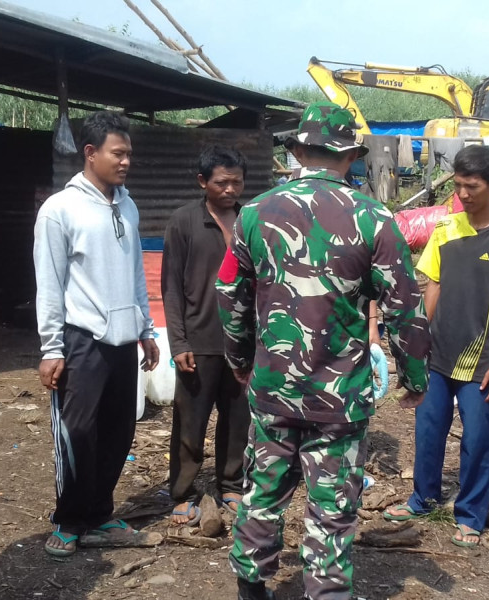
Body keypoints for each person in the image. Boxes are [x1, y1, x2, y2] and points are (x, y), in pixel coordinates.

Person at [217, 101, 431, 600]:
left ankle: (252, 586)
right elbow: (405, 307)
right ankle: (327, 592)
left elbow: (229, 294)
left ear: (295, 150)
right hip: (339, 396)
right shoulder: (375, 218)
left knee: (263, 491)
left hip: (273, 387)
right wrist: (414, 378)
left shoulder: (253, 213)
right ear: (351, 156)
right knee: (332, 506)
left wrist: (241, 360)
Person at [384, 145, 489, 548]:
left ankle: (470, 515)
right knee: (428, 430)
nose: (463, 194)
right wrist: (416, 345)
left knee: (478, 439)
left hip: (482, 359)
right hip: (438, 354)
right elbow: (432, 286)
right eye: (458, 186)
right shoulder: (446, 229)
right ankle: (423, 498)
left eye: (472, 186)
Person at [34, 110, 160, 557]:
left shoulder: (127, 204)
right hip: (81, 340)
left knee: (118, 431)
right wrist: (51, 348)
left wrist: (146, 328)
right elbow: (48, 283)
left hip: (125, 339)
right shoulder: (59, 210)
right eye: (118, 153)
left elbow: (135, 274)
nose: (126, 162)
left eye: (129, 154)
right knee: (77, 432)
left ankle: (100, 517)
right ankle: (69, 520)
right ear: (90, 153)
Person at [162, 145, 250, 525]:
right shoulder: (184, 222)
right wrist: (178, 342)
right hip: (199, 339)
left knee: (238, 419)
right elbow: (171, 287)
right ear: (203, 182)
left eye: (236, 182)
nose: (230, 189)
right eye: (221, 182)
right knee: (190, 421)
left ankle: (231, 484)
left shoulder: (251, 220)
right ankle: (182, 491)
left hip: (244, 342)